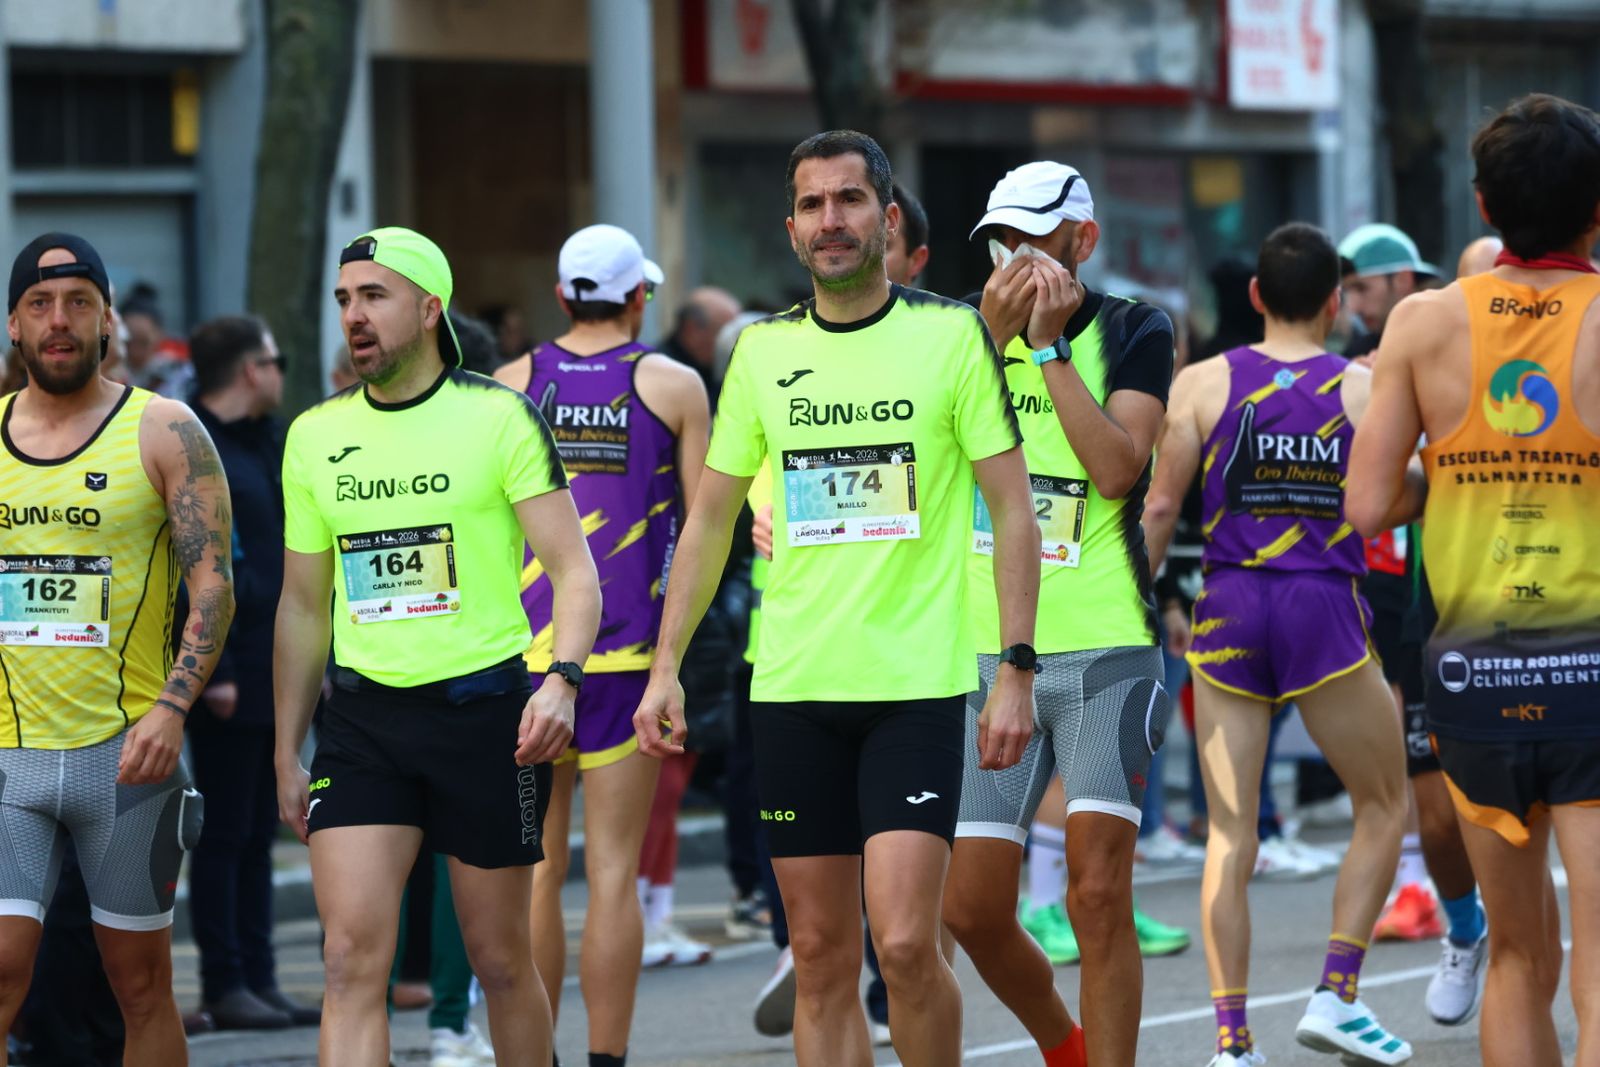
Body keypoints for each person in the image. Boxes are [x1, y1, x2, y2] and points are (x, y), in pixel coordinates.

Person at [634, 129, 1040, 1067]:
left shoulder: (951, 336)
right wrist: (665, 669)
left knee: (902, 943)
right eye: (813, 205)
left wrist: (1016, 665)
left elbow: (1012, 511)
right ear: (791, 228)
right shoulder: (764, 355)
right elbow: (706, 523)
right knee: (818, 954)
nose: (832, 221)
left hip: (914, 687)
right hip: (790, 691)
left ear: (886, 217)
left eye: (850, 201)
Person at [273, 226, 601, 1067]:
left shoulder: (497, 416)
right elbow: (305, 606)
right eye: (344, 298)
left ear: (429, 308)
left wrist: (560, 681)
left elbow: (573, 572)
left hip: (486, 714)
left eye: (374, 295)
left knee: (498, 961)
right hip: (365, 724)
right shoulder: (314, 436)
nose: (354, 315)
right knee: (350, 965)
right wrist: (285, 746)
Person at [1347, 92, 1600, 1067]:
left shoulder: (1418, 323)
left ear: (1484, 208)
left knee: (1515, 960)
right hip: (1591, 671)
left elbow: (1369, 506)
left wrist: (1455, 469)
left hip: (1472, 681)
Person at [1147, 222, 1412, 1066]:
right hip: (1321, 611)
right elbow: (1390, 501)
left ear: (1256, 296)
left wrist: (1136, 607)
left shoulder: (1198, 384)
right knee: (1382, 803)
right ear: (1338, 303)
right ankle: (1335, 993)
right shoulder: (1363, 391)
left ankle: (1231, 1044)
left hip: (1228, 609)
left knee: (1230, 835)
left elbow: (1158, 511)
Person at [937, 160, 1180, 1067]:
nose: (1015, 259)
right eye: (1002, 241)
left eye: (1035, 240)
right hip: (983, 652)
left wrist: (1047, 349)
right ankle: (1063, 1043)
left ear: (1083, 240)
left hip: (1107, 649)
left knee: (1098, 893)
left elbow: (1118, 469)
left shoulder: (1135, 326)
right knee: (968, 906)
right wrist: (992, 344)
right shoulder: (963, 329)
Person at [0, 232, 237, 1065]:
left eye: (77, 304)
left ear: (108, 322)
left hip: (129, 754)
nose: (58, 321)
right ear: (14, 326)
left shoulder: (166, 428)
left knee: (139, 984)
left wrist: (173, 708)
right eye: (39, 305)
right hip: (8, 758)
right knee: (0, 968)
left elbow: (214, 581)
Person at [494, 222, 710, 1063]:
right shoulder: (675, 385)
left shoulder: (507, 383)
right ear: (639, 297)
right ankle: (606, 1059)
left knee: (541, 871)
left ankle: (535, 1052)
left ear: (559, 296)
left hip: (526, 661)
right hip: (627, 660)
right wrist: (677, 659)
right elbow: (702, 528)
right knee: (614, 871)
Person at [185, 315, 320, 1030]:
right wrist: (222, 667)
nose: (280, 372)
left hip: (278, 664)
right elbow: (200, 564)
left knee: (260, 829)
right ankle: (225, 979)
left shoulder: (269, 438)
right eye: (276, 359)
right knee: (224, 831)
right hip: (230, 675)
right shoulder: (194, 445)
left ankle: (261, 977)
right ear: (248, 369)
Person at [658, 286, 742, 404]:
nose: (733, 343)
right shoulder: (657, 373)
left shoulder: (722, 375)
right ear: (692, 330)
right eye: (726, 334)